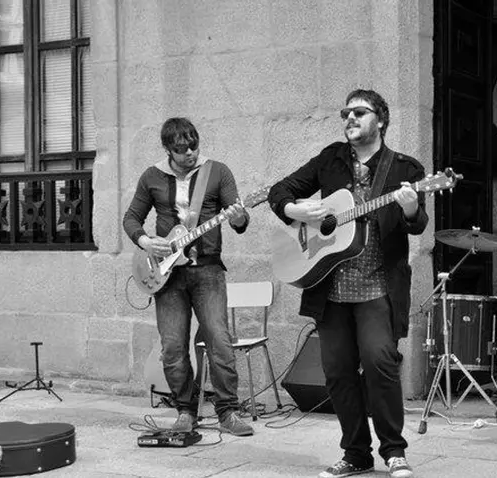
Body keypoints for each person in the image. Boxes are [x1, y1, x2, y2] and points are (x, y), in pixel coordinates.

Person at [268, 89, 425, 478]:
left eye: (359, 112)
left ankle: (394, 451)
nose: (350, 118)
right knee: (337, 373)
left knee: (379, 362)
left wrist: (409, 207)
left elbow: (417, 223)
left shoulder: (404, 168)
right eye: (345, 113)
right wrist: (295, 209)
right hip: (331, 287)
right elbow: (279, 192)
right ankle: (356, 454)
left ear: (380, 120)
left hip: (377, 286)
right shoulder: (331, 158)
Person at [123, 117, 253, 437]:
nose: (190, 153)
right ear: (168, 149)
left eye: (194, 145)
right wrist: (145, 241)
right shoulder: (151, 176)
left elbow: (239, 222)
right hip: (167, 275)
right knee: (172, 347)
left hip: (208, 271)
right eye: (182, 150)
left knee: (219, 340)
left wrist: (239, 217)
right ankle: (185, 410)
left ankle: (227, 411)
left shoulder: (217, 171)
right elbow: (131, 218)